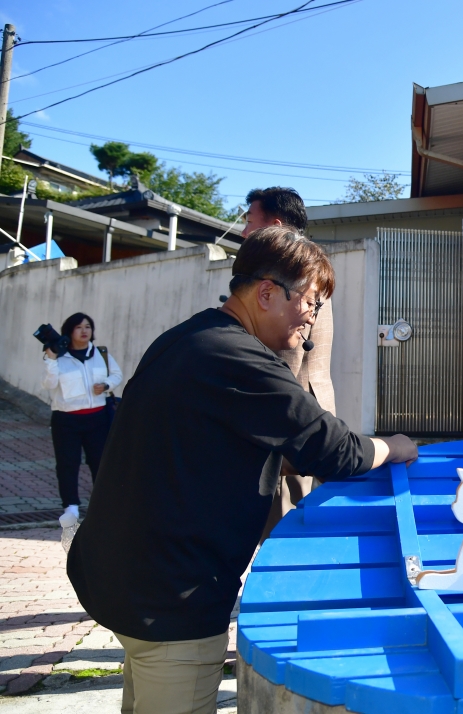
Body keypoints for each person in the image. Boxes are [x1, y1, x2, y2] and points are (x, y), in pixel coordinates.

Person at [66, 227, 417, 714]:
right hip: (173, 602)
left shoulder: (186, 338)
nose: (312, 321)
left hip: (118, 578)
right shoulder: (241, 360)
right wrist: (394, 446)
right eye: (311, 303)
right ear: (268, 292)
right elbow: (334, 450)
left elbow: (213, 440)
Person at [242, 187, 337, 540]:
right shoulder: (312, 269)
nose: (243, 233)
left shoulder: (292, 276)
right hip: (310, 408)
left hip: (291, 416)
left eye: (250, 223)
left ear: (276, 225)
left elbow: (287, 359)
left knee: (284, 528)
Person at [41, 313, 123, 524]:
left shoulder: (101, 353)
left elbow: (116, 375)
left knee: (100, 462)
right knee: (68, 463)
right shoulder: (58, 357)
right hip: (66, 420)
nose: (84, 331)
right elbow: (49, 385)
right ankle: (71, 507)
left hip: (98, 417)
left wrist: (106, 385)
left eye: (88, 326)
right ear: (69, 331)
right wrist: (50, 360)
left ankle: (101, 504)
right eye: (79, 327)